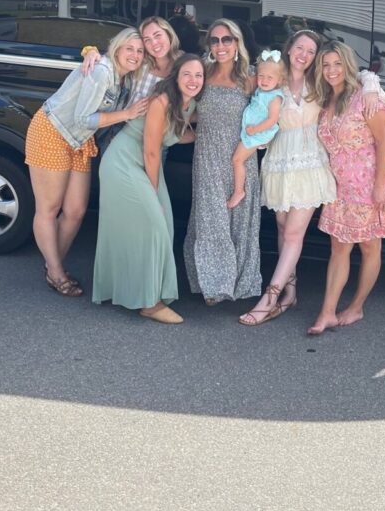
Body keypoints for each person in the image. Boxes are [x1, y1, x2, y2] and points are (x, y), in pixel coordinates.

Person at [241, 29, 385, 326]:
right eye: (299, 47)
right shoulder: (274, 77)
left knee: (294, 233)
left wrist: (371, 84)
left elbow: (359, 78)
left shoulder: (319, 82)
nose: (303, 54)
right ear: (289, 48)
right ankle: (290, 293)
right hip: (279, 161)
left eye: (310, 50)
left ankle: (269, 297)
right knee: (282, 230)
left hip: (310, 164)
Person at [25, 28, 147, 297]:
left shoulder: (123, 79)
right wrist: (126, 114)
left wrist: (88, 49)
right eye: (130, 48)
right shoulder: (102, 71)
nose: (135, 55)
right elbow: (83, 118)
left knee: (76, 210)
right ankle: (56, 272)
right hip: (53, 131)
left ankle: (51, 264)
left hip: (79, 140)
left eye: (139, 51)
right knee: (49, 208)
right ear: (116, 48)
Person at [91, 54, 204, 324]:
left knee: (165, 225)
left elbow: (179, 135)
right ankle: (149, 304)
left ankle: (150, 291)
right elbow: (152, 151)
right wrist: (153, 192)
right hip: (124, 163)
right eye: (187, 74)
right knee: (154, 225)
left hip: (143, 167)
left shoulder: (189, 105)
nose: (193, 80)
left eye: (199, 75)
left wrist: (207, 136)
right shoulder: (161, 101)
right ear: (175, 76)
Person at [307, 42, 385, 335]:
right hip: (340, 188)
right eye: (325, 65)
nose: (331, 71)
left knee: (369, 246)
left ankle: (356, 306)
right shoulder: (326, 99)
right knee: (338, 247)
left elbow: (384, 141)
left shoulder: (366, 97)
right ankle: (326, 312)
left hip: (367, 184)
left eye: (337, 64)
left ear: (348, 65)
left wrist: (378, 187)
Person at [183, 19, 263, 307]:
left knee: (240, 221)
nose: (220, 46)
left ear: (237, 42)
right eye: (214, 40)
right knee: (211, 220)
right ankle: (214, 284)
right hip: (206, 158)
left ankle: (238, 281)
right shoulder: (201, 73)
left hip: (241, 159)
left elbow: (278, 101)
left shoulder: (252, 77)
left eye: (226, 39)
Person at [227, 50, 285, 210]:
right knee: (237, 159)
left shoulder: (274, 97)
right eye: (261, 76)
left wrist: (255, 130)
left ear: (279, 80)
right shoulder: (261, 90)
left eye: (270, 78)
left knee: (237, 160)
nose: (264, 80)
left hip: (257, 134)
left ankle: (239, 191)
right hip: (252, 132)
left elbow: (273, 119)